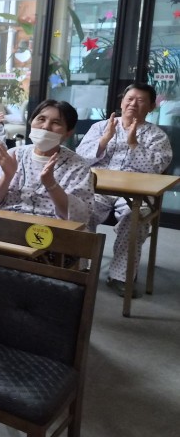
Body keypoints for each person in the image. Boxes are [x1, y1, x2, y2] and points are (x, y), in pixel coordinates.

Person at [76, 83, 173, 294]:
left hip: (136, 194)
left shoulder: (157, 135)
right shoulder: (101, 126)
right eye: (129, 99)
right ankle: (79, 267)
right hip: (99, 190)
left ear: (151, 107)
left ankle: (120, 276)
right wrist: (104, 140)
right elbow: (80, 159)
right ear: (122, 102)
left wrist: (134, 144)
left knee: (135, 218)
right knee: (79, 209)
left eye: (141, 100)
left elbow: (157, 168)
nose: (133, 104)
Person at [0, 99, 94, 223]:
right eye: (41, 119)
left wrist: (52, 185)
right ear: (31, 122)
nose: (46, 127)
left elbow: (80, 216)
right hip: (7, 224)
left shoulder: (78, 166)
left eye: (56, 122)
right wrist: (7, 176)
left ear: (68, 133)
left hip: (51, 228)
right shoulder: (14, 155)